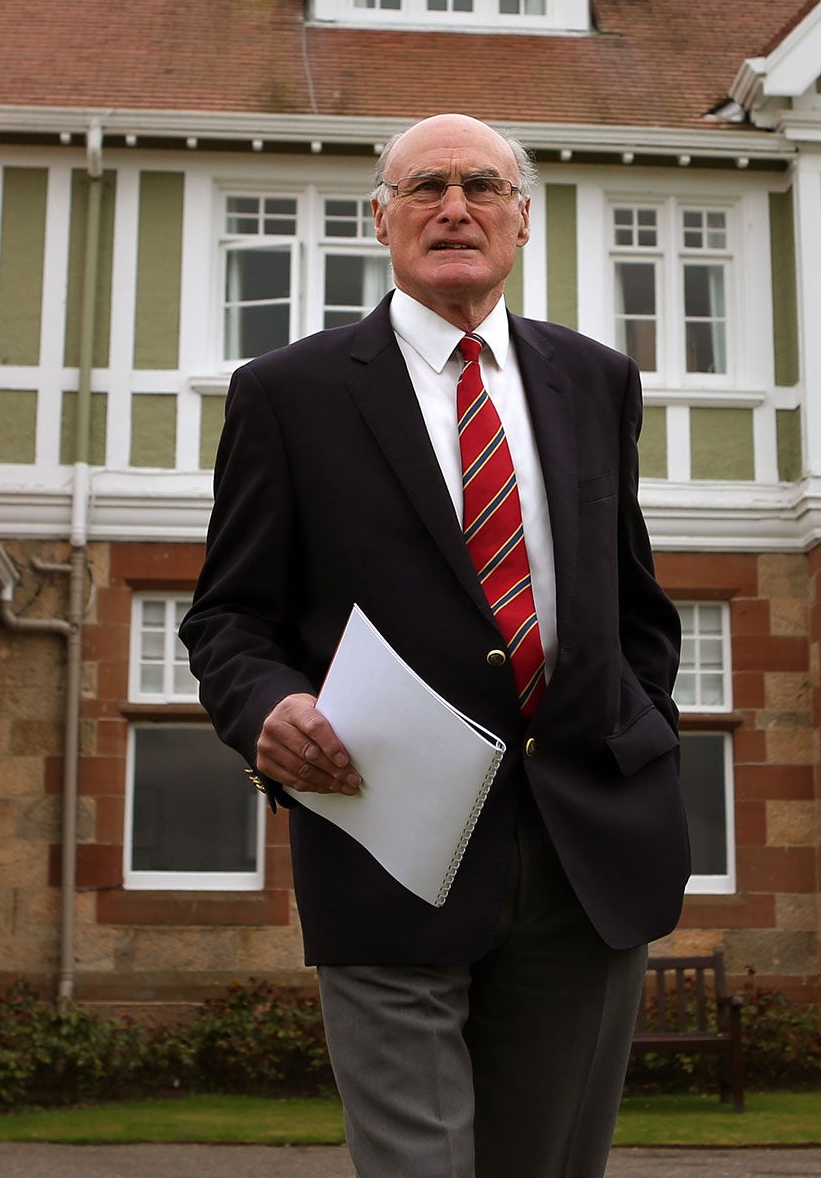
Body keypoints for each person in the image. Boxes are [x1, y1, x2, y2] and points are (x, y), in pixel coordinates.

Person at [181, 113, 688, 1178]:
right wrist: (265, 708)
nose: (452, 206)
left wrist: (639, 730)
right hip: (385, 844)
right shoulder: (290, 394)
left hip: (583, 852)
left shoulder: (596, 383)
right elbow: (229, 618)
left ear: (520, 220)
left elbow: (634, 605)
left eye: (478, 185)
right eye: (422, 187)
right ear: (380, 218)